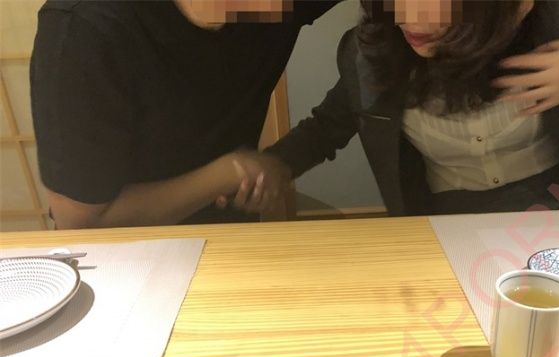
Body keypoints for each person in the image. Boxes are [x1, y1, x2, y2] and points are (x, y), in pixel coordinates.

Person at [261, 0, 559, 215]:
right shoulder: (370, 53)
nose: (409, 18)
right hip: (443, 216)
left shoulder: (554, 15)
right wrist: (264, 167)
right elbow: (327, 127)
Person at [30, 0, 340, 228]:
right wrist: (229, 172)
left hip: (231, 237)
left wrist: (289, 156)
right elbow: (79, 221)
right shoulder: (88, 25)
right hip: (121, 261)